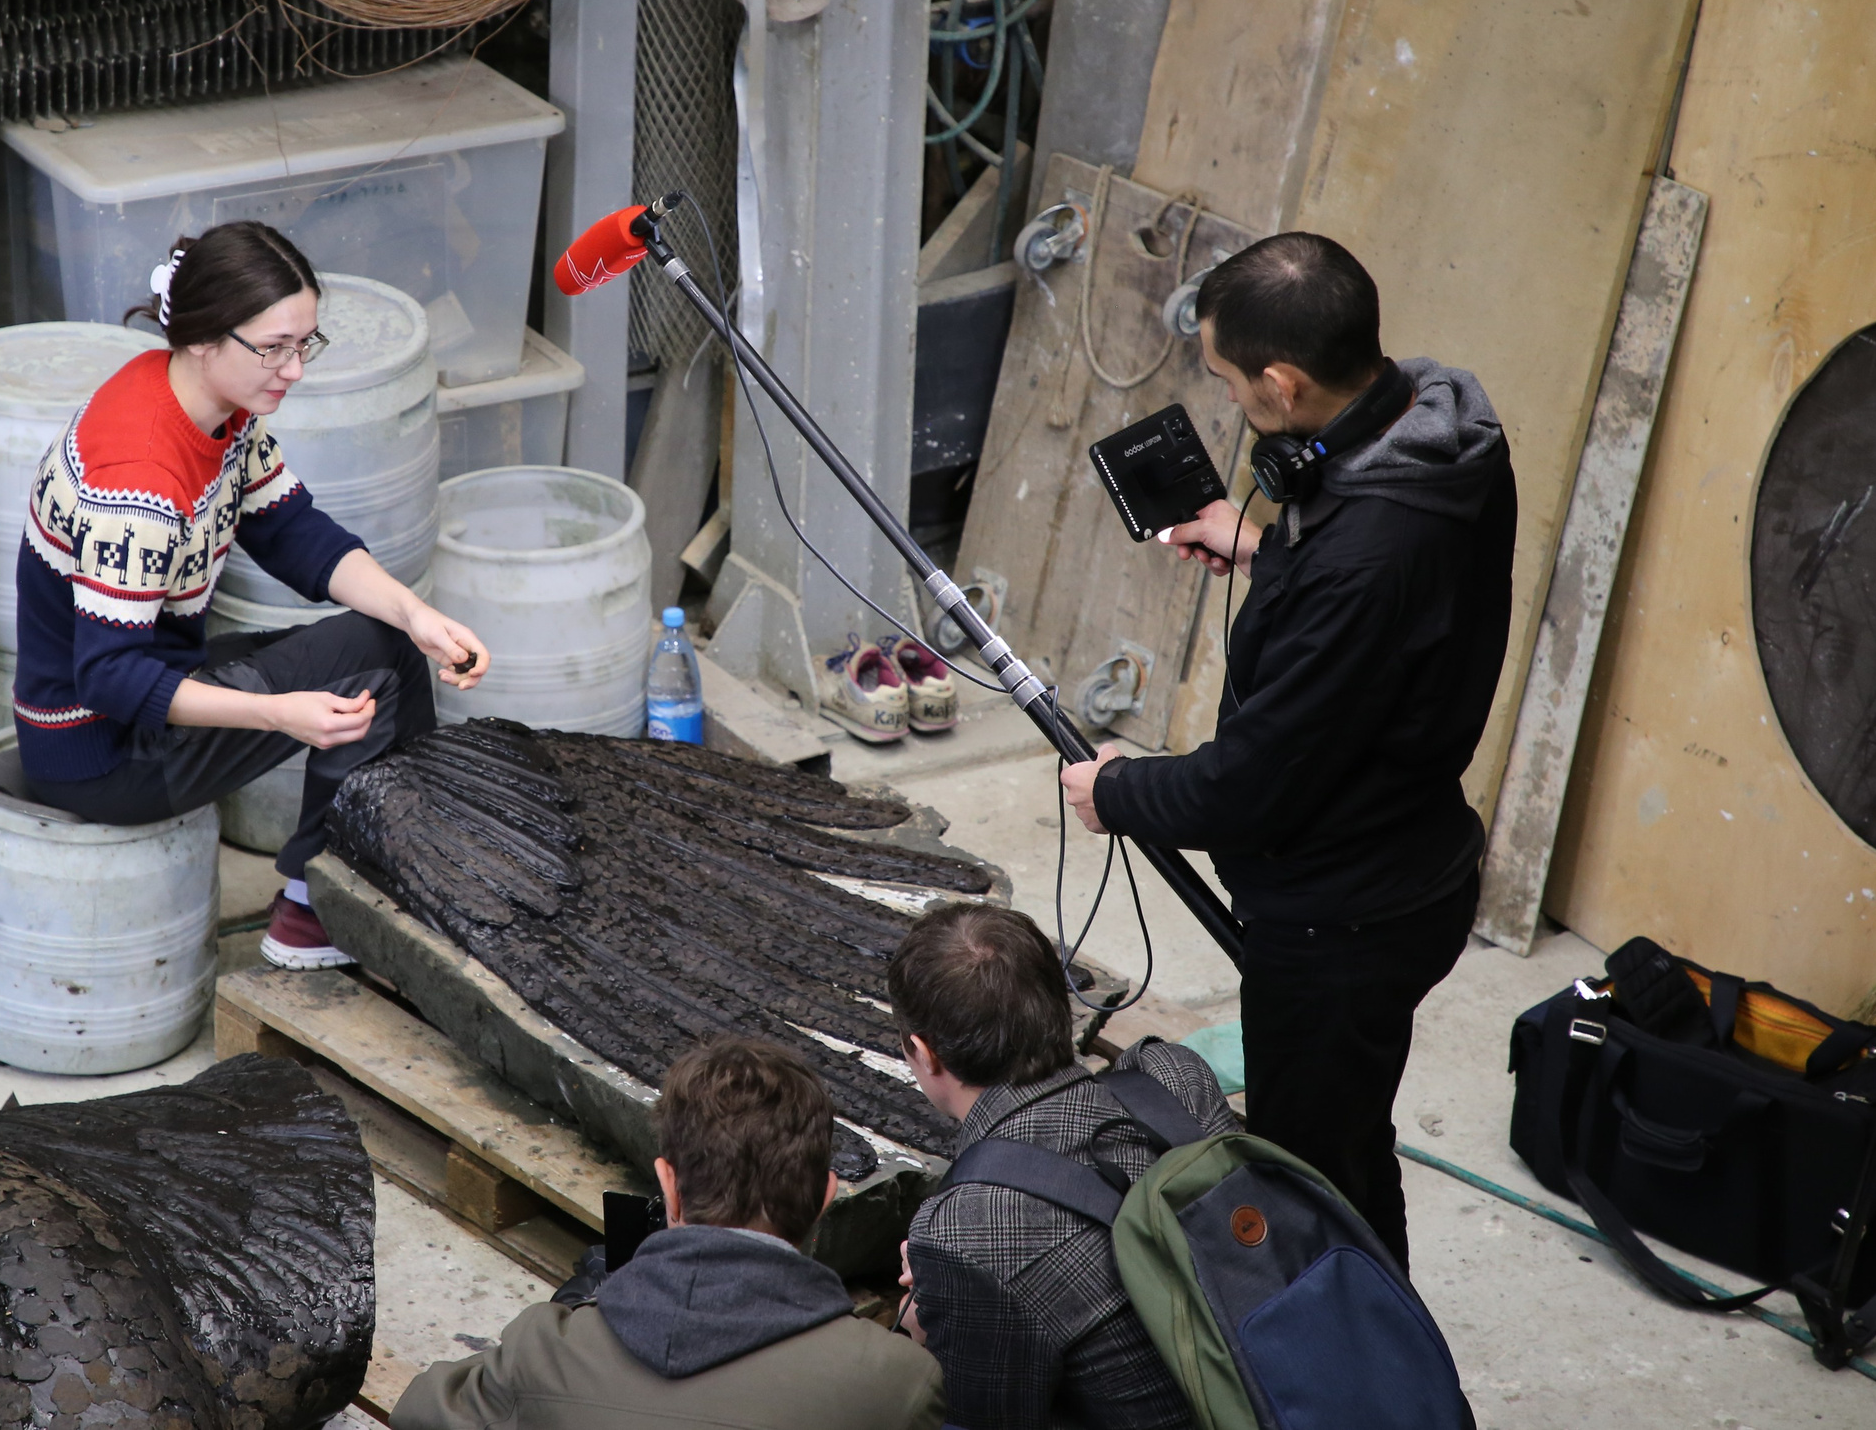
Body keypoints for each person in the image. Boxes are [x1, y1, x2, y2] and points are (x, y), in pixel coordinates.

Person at [1061, 231, 1515, 1268]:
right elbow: (1402, 609)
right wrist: (1266, 548)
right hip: (1413, 859)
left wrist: (1117, 790)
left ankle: (1352, 1378)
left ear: (1284, 381)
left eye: (1230, 382)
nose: (1228, 404)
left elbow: (1253, 785)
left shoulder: (1364, 559)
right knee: (1350, 1148)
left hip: (1343, 922)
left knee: (1309, 1183)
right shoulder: (1441, 432)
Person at [11, 220, 489, 969]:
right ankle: (320, 908)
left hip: (139, 701)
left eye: (305, 344)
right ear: (203, 337)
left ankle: (367, 879)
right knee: (375, 665)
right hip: (100, 749)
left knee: (389, 641)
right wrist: (276, 715)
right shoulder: (140, 475)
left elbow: (294, 531)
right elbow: (109, 675)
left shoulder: (216, 412)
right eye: (273, 347)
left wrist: (415, 612)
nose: (294, 369)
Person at [392, 1035, 944, 1430]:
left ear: (668, 1187)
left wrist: (584, 1309)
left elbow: (417, 1409)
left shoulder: (543, 1348)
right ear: (826, 1197)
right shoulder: (895, 1383)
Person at [890, 902, 1235, 1430]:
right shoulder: (1175, 1076)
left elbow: (982, 1418)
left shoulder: (966, 1233)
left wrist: (927, 1325)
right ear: (1059, 1005)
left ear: (924, 1052)